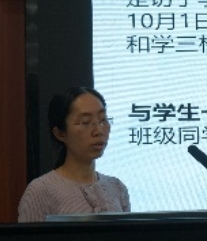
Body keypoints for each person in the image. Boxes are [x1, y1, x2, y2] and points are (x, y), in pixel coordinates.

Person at [18, 86, 130, 222]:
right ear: (60, 133)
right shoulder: (40, 190)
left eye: (103, 120)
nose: (99, 131)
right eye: (85, 122)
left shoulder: (117, 187)